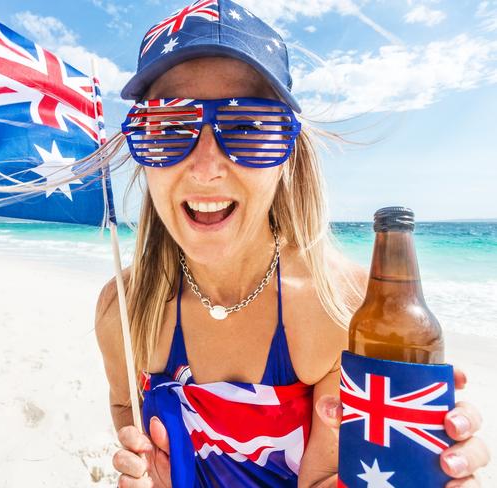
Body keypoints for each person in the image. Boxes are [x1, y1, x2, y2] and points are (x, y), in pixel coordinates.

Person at [94, 0, 490, 486]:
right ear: (142, 153)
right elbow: (122, 400)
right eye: (170, 128)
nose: (206, 166)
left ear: (288, 155)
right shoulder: (124, 308)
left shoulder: (341, 310)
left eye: (246, 128)